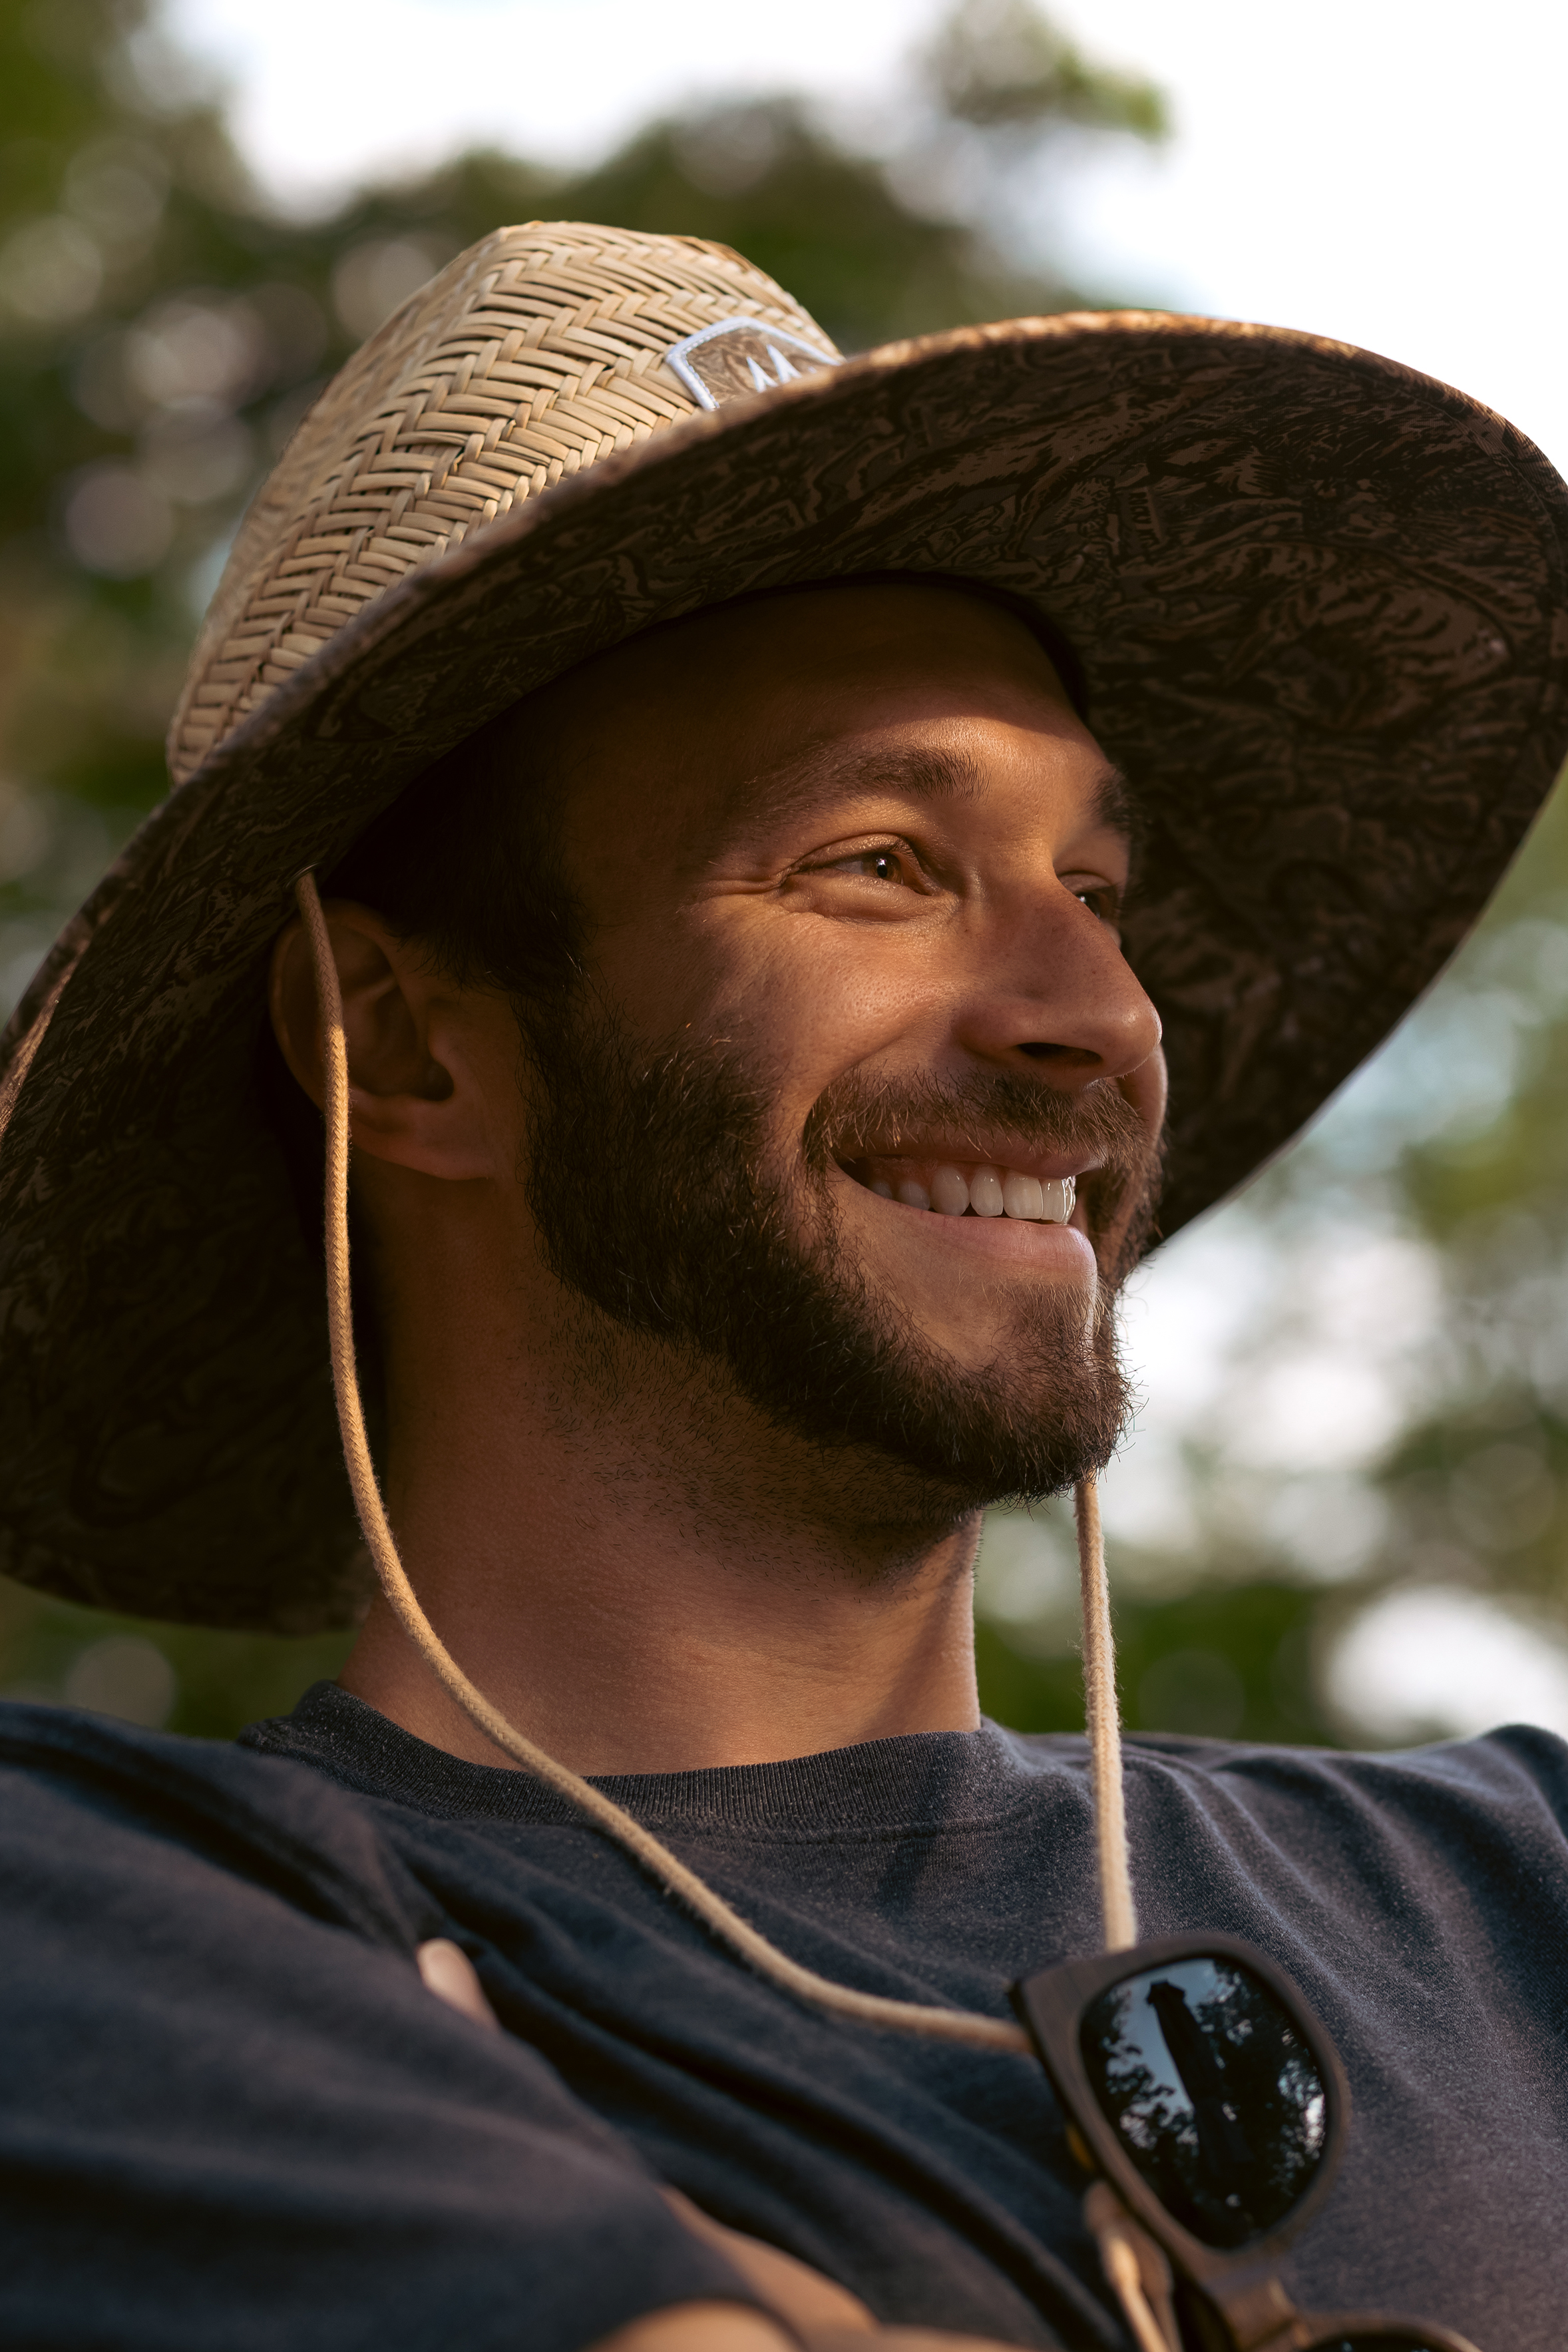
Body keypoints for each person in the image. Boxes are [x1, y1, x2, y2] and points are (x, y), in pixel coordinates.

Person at [2, 222, 1567, 2352]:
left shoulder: (1516, 1891)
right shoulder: (126, 1944)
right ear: (409, 1041)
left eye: (1094, 890)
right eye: (882, 867)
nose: (1087, 1010)